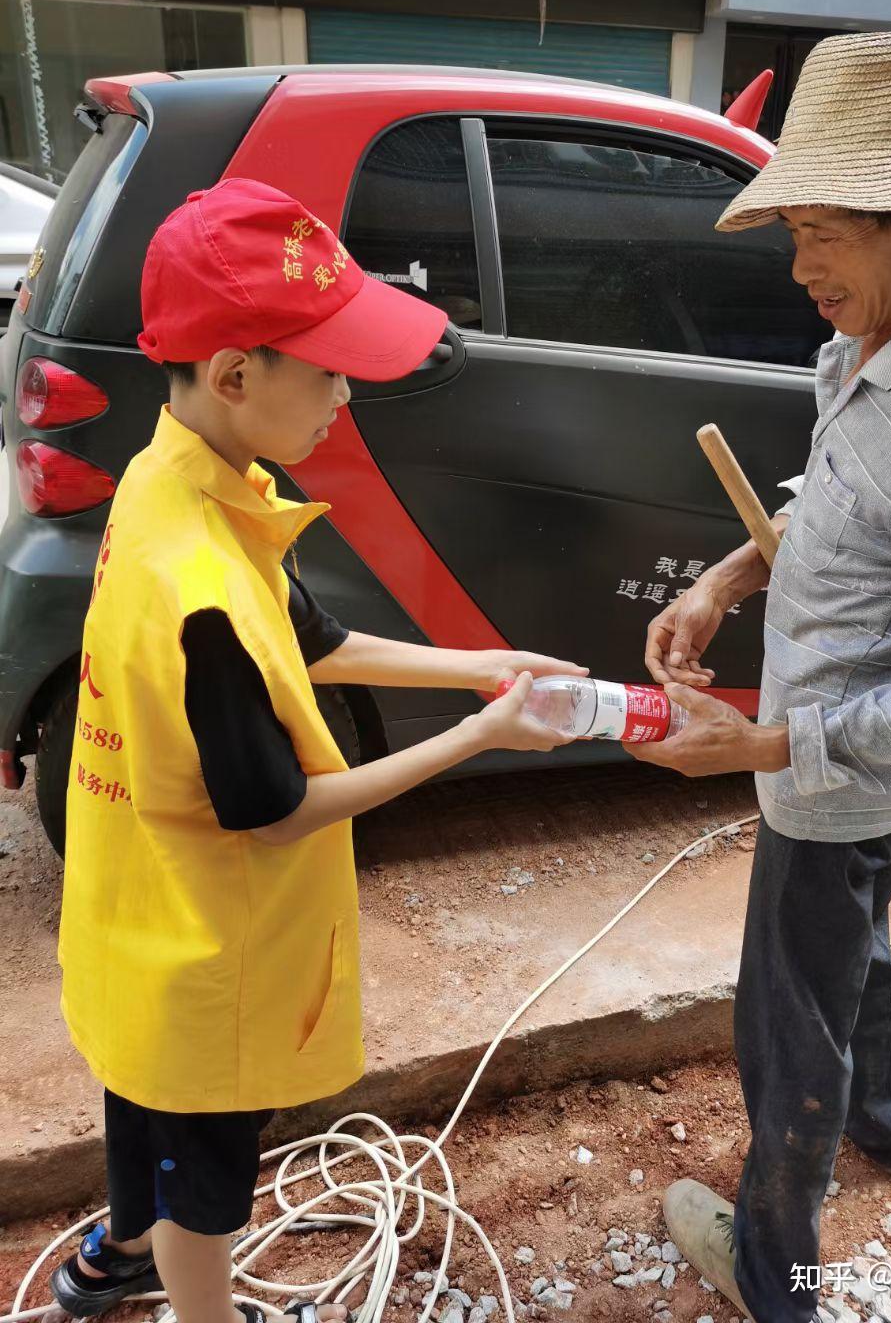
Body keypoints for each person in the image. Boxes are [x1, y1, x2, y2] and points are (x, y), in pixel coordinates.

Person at [52, 178, 581, 1323]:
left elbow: (315, 640)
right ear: (237, 374)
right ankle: (202, 1307)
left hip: (131, 914)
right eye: (328, 366)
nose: (347, 393)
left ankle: (119, 1253)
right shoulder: (196, 591)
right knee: (212, 1170)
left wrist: (483, 667)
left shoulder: (172, 483)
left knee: (138, 1094)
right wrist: (480, 739)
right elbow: (280, 808)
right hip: (206, 948)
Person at [626, 31, 891, 1323]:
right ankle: (886, 1116)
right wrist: (727, 581)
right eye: (792, 227)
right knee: (853, 949)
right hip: (874, 784)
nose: (802, 265)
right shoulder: (879, 334)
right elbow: (842, 495)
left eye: (828, 232)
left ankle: (775, 1273)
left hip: (837, 786)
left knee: (783, 1027)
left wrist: (764, 746)